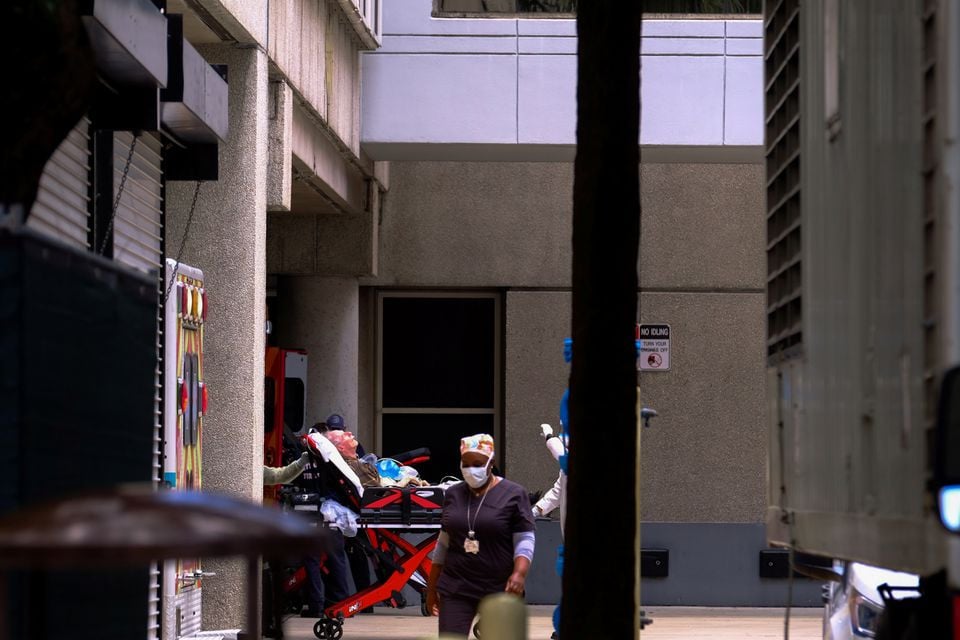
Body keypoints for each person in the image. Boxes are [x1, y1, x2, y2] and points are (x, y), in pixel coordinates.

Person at [425, 433, 535, 637]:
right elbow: (442, 544)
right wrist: (431, 588)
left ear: (491, 462)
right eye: (465, 464)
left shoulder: (514, 494)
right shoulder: (453, 494)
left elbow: (524, 539)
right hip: (456, 585)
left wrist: (519, 573)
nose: (470, 469)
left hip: (499, 586)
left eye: (477, 463)